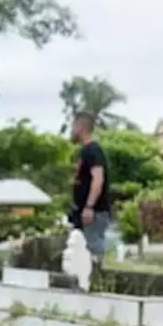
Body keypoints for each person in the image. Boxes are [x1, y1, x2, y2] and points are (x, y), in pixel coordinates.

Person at [70, 111, 112, 269]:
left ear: (81, 127)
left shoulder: (93, 150)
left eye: (73, 126)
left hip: (94, 212)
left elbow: (98, 179)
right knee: (81, 252)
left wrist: (89, 206)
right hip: (85, 212)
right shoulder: (84, 151)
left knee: (92, 251)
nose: (72, 130)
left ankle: (96, 282)